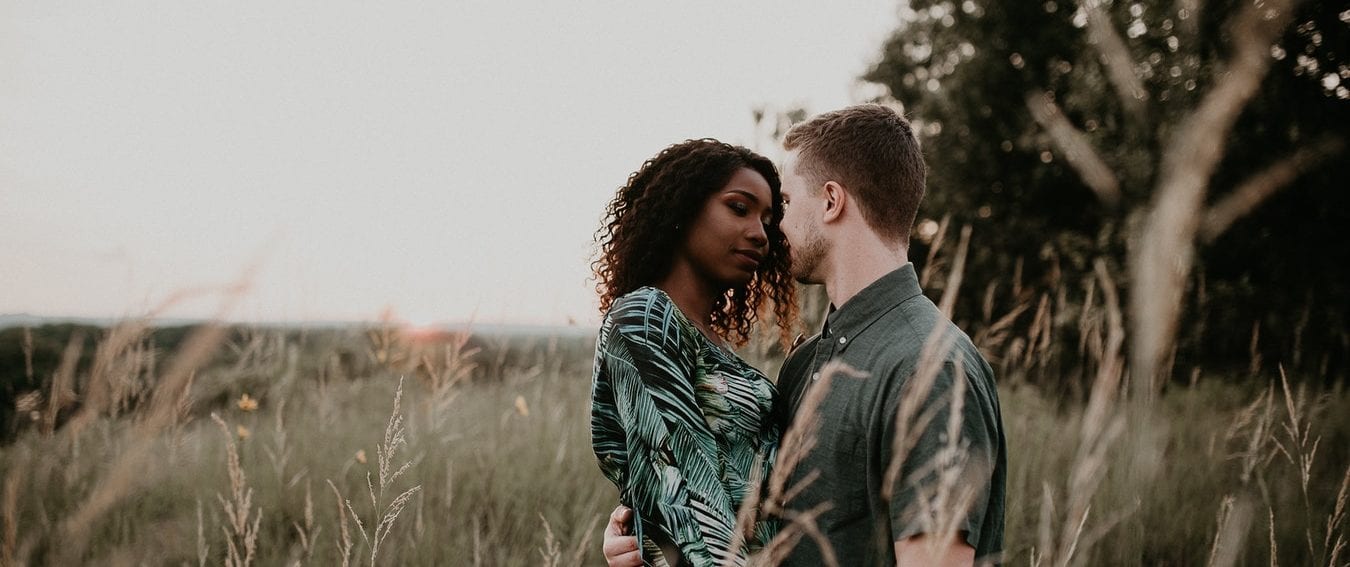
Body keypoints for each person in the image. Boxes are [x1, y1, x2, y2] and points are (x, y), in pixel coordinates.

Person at [604, 104, 1007, 566]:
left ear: (832, 202)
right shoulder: (805, 363)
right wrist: (648, 540)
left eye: (788, 204)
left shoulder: (932, 368)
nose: (773, 228)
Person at [590, 138, 798, 566]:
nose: (760, 233)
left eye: (767, 219)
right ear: (683, 210)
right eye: (739, 208)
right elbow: (689, 503)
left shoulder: (704, 337)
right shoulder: (646, 318)